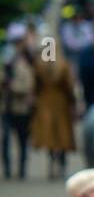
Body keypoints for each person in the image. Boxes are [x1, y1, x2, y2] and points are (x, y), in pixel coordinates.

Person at [31, 47, 78, 180]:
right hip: (61, 103)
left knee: (50, 135)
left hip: (45, 102)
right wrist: (73, 102)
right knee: (62, 135)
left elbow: (36, 85)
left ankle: (52, 163)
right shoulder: (63, 64)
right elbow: (69, 86)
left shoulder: (40, 65)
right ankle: (62, 164)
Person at [2, 31, 35, 179]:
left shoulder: (27, 63)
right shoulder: (7, 63)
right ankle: (7, 169)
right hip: (6, 107)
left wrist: (12, 87)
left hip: (21, 108)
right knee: (6, 139)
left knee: (22, 140)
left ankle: (22, 169)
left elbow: (27, 85)